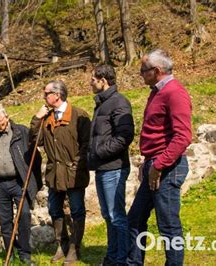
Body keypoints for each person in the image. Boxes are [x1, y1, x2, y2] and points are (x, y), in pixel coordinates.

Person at [127, 49, 192, 265]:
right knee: (135, 218)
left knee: (168, 225)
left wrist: (159, 165)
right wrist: (147, 163)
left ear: (156, 71)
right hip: (154, 163)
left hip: (168, 166)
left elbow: (182, 136)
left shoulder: (174, 92)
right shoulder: (156, 92)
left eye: (142, 71)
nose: (140, 74)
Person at [30, 80, 91, 265]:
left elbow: (87, 145)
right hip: (54, 174)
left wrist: (76, 165)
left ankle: (74, 248)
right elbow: (35, 141)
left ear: (57, 95)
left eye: (46, 93)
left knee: (77, 210)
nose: (44, 96)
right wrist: (36, 118)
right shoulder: (47, 117)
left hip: (74, 174)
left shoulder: (79, 115)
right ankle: (62, 244)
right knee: (54, 209)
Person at [0, 104, 42, 265]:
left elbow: (35, 158)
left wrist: (32, 181)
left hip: (18, 182)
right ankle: (11, 252)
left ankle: (24, 253)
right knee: (5, 221)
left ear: (6, 117)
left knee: (24, 215)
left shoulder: (21, 132)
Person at [88, 64, 135, 265]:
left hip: (114, 167)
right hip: (102, 168)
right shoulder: (102, 104)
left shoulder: (119, 102)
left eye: (92, 78)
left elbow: (124, 136)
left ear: (103, 80)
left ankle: (121, 259)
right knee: (108, 215)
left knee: (116, 216)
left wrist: (99, 152)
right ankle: (112, 255)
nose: (90, 82)